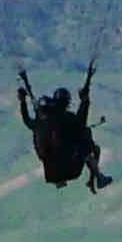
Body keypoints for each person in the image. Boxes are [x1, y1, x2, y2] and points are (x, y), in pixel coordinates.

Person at [15, 61, 108, 192]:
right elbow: (81, 121)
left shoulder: (41, 123)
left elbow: (27, 120)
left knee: (80, 141)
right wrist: (85, 100)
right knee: (89, 143)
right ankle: (97, 178)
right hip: (71, 170)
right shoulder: (68, 119)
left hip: (52, 174)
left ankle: (92, 180)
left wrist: (23, 102)